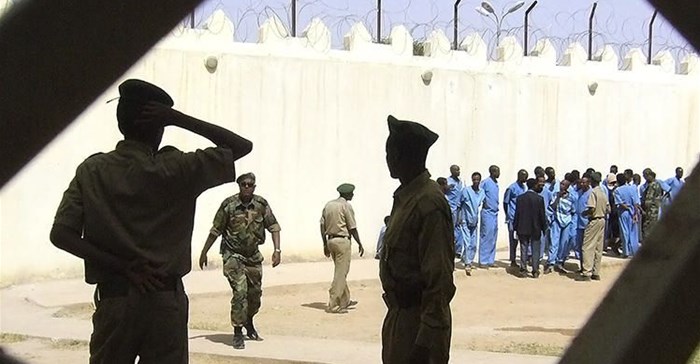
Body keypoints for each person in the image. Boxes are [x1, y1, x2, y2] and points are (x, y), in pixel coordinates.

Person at [50, 79, 252, 363]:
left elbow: (61, 234)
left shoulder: (92, 170)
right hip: (164, 302)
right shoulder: (179, 168)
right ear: (160, 128)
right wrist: (177, 119)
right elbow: (241, 146)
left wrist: (123, 266)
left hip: (115, 299)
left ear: (121, 123)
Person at [380, 115, 455, 364]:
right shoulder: (406, 198)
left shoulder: (428, 202)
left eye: (392, 152)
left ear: (406, 157)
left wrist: (427, 338)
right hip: (400, 317)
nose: (388, 159)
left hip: (420, 324)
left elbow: (439, 278)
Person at [199, 172, 281, 349]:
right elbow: (216, 230)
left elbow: (274, 226)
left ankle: (248, 321)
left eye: (250, 184)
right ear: (239, 186)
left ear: (254, 186)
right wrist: (204, 252)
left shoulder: (261, 204)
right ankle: (237, 332)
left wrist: (277, 250)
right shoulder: (229, 205)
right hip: (233, 255)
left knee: (255, 295)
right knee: (240, 291)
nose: (246, 187)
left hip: (253, 256)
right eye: (243, 184)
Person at [320, 183, 365, 313]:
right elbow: (352, 227)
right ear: (347, 194)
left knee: (340, 270)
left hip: (331, 240)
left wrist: (324, 243)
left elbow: (322, 226)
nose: (353, 195)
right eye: (352, 193)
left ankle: (345, 300)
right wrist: (359, 243)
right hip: (342, 241)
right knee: (341, 273)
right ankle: (334, 303)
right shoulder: (346, 206)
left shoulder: (328, 205)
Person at [513, 177, 547, 278]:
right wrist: (544, 227)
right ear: (534, 185)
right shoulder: (539, 199)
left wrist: (515, 227)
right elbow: (542, 215)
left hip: (522, 227)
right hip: (536, 228)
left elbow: (517, 214)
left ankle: (523, 269)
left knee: (524, 248)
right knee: (535, 249)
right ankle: (535, 270)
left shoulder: (520, 198)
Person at [579, 172, 609, 281]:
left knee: (587, 246)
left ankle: (586, 272)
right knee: (598, 247)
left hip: (594, 220)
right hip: (602, 220)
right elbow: (608, 209)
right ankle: (596, 272)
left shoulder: (593, 193)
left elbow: (591, 208)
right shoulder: (603, 192)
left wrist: (585, 213)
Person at [547, 178, 574, 273]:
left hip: (567, 221)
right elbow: (552, 206)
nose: (561, 185)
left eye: (563, 184)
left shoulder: (571, 197)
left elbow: (573, 211)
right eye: (561, 184)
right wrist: (558, 197)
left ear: (567, 187)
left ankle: (560, 261)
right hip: (556, 220)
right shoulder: (555, 195)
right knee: (554, 242)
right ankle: (551, 262)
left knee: (564, 243)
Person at [461, 172, 485, 275]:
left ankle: (465, 257)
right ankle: (468, 264)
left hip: (475, 220)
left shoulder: (482, 192)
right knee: (468, 243)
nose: (476, 181)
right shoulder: (466, 191)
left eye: (477, 180)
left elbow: (481, 204)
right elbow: (460, 204)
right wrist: (459, 218)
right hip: (465, 219)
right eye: (474, 179)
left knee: (474, 244)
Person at [504, 169, 528, 267]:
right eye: (524, 177)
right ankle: (513, 260)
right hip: (513, 217)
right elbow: (505, 202)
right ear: (519, 176)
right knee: (513, 240)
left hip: (521, 218)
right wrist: (508, 215)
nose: (525, 179)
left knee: (521, 239)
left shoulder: (524, 187)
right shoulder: (511, 188)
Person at [614, 173, 641, 257]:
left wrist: (627, 207)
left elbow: (620, 203)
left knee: (624, 232)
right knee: (633, 232)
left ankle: (626, 252)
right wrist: (635, 213)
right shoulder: (631, 189)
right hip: (632, 212)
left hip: (623, 213)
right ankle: (634, 251)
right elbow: (636, 203)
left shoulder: (617, 190)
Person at [479, 165, 500, 267]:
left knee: (493, 236)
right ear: (492, 172)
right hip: (487, 212)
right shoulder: (485, 182)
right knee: (486, 236)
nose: (499, 173)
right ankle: (483, 260)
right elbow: (479, 192)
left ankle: (490, 260)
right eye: (497, 171)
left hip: (495, 213)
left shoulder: (496, 183)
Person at [446, 165, 468, 259]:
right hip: (451, 208)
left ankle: (458, 251)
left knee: (459, 229)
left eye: (459, 170)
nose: (459, 171)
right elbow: (443, 192)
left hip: (459, 208)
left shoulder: (460, 182)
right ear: (452, 171)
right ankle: (450, 249)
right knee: (451, 229)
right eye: (457, 170)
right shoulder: (448, 181)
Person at [574, 174, 592, 269]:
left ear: (588, 183)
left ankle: (588, 267)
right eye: (581, 182)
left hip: (587, 224)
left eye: (584, 182)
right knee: (580, 246)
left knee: (587, 247)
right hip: (578, 224)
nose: (582, 184)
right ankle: (582, 267)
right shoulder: (579, 192)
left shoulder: (591, 193)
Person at [641, 170, 663, 242]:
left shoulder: (652, 185)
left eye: (645, 176)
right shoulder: (658, 184)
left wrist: (644, 210)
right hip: (655, 210)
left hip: (650, 211)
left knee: (647, 229)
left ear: (649, 175)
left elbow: (648, 201)